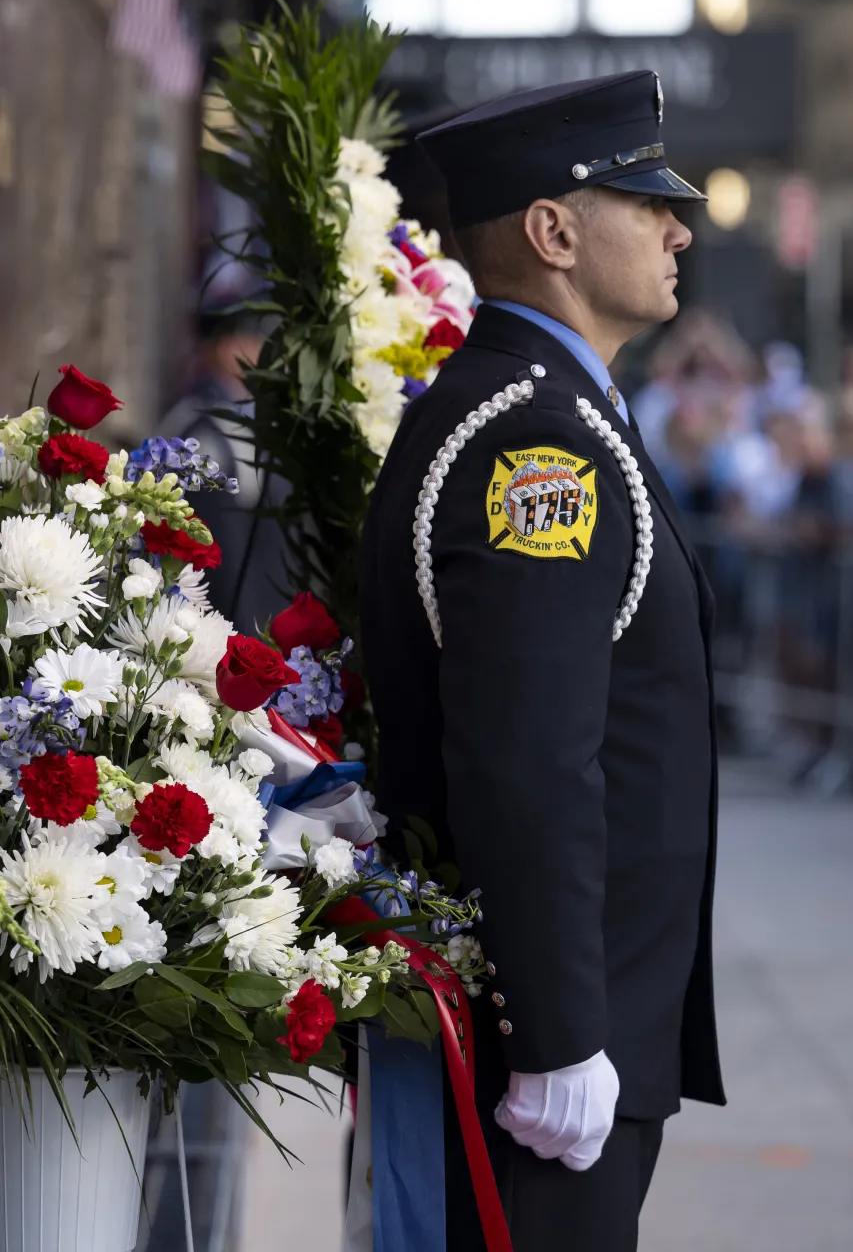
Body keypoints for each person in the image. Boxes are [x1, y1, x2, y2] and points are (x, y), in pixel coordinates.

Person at [360, 71, 725, 1252]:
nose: (678, 227)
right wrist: (563, 1030)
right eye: (644, 200)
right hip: (550, 1038)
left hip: (580, 1012)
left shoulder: (553, 408)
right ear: (553, 230)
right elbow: (528, 753)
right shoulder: (534, 441)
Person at [160, 306, 289, 633]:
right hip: (221, 605)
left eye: (258, 342)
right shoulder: (196, 424)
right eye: (240, 342)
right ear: (216, 348)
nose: (252, 353)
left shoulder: (260, 414)